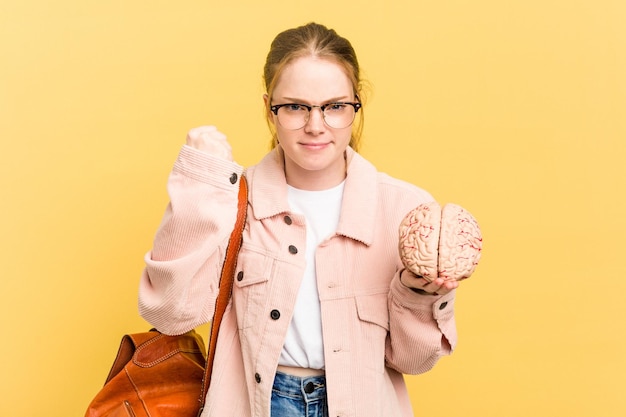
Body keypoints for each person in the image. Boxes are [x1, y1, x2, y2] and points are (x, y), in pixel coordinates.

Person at [138, 22, 460, 417]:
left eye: (334, 106)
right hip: (257, 404)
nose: (315, 125)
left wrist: (418, 293)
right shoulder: (239, 199)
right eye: (295, 106)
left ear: (356, 105)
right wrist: (200, 182)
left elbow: (415, 361)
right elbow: (170, 314)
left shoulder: (406, 211)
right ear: (269, 109)